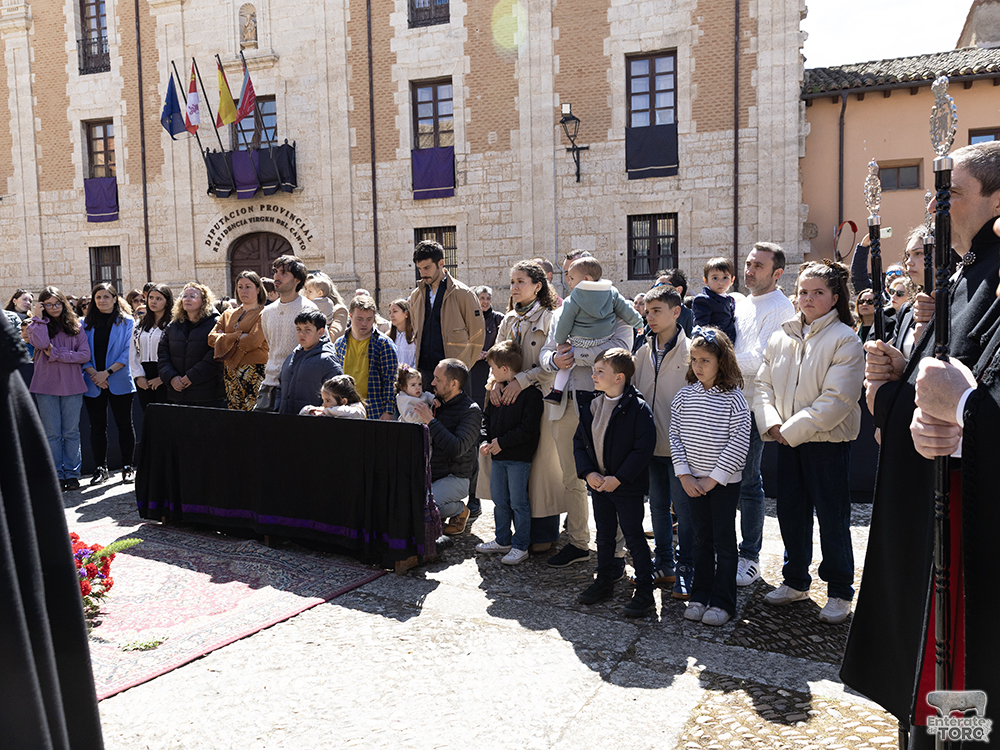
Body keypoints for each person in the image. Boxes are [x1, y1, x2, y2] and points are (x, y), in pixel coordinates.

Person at [842, 141, 1000, 748]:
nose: (938, 205)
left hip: (976, 526)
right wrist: (896, 383)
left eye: (952, 192)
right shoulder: (965, 276)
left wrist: (964, 410)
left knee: (967, 681)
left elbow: (969, 396)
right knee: (928, 676)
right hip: (940, 513)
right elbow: (935, 385)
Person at [756, 260, 863, 624]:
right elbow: (762, 385)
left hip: (826, 443)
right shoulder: (781, 335)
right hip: (786, 440)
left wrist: (790, 429)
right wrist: (772, 423)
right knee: (790, 513)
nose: (808, 298)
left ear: (835, 297)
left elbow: (837, 399)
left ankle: (839, 590)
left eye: (818, 292)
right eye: (803, 291)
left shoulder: (846, 339)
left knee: (833, 517)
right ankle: (795, 580)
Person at [541, 252, 635, 568]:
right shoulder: (561, 313)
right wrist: (554, 361)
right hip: (564, 403)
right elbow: (546, 351)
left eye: (576, 276)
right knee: (572, 477)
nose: (571, 282)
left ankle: (617, 550)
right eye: (568, 275)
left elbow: (619, 354)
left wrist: (577, 355)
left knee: (609, 477)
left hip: (602, 405)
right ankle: (578, 542)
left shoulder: (616, 309)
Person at [670, 327, 750, 627]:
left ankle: (723, 601)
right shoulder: (684, 395)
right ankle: (700, 595)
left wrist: (713, 479)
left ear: (721, 361)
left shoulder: (734, 399)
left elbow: (738, 441)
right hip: (693, 481)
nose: (698, 366)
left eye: (705, 360)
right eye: (694, 360)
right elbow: (674, 434)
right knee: (700, 539)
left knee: (724, 542)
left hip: (722, 483)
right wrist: (685, 475)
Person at [573, 348, 657, 617]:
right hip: (599, 485)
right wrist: (588, 473)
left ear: (619, 377)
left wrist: (618, 478)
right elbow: (580, 442)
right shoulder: (593, 404)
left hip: (625, 487)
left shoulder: (638, 408)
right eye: (594, 370)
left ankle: (645, 590)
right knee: (605, 534)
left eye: (600, 372)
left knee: (633, 536)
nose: (593, 375)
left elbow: (643, 449)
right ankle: (604, 580)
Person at [487, 260, 563, 551]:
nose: (515, 287)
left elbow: (552, 364)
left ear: (538, 286)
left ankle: (542, 532)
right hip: (507, 402)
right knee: (511, 466)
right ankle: (508, 536)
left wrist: (523, 380)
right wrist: (494, 384)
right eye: (512, 282)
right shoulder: (508, 320)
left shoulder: (550, 318)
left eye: (521, 282)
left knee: (541, 470)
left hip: (539, 399)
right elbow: (497, 358)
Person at [731, 242, 795, 587]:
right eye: (748, 263)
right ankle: (726, 549)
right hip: (725, 401)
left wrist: (716, 355)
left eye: (758, 265)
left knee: (748, 483)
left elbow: (762, 360)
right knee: (722, 478)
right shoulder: (740, 302)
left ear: (777, 273)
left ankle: (749, 556)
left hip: (753, 405)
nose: (750, 270)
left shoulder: (782, 307)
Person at [632, 283, 693, 598]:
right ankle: (664, 563)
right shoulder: (642, 350)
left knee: (683, 508)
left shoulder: (691, 351)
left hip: (682, 446)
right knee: (656, 505)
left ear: (676, 312)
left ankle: (687, 568)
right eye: (648, 310)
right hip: (650, 443)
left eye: (657, 311)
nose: (650, 317)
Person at [475, 340, 543, 565]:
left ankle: (521, 545)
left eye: (493, 369)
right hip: (498, 458)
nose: (491, 374)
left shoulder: (531, 395)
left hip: (518, 458)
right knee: (499, 500)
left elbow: (527, 429)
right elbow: (486, 419)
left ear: (504, 369)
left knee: (518, 503)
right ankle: (502, 539)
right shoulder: (495, 391)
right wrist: (485, 440)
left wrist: (502, 442)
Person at [546, 256, 642, 403]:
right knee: (597, 369)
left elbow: (564, 324)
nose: (568, 282)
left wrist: (561, 343)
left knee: (566, 367)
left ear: (585, 278)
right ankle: (600, 390)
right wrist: (639, 323)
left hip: (579, 340)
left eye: (571, 277)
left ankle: (556, 392)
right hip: (605, 337)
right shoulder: (612, 292)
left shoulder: (574, 299)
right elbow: (627, 311)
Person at [26, 287, 90, 491]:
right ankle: (55, 474)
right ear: (42, 306)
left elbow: (84, 355)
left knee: (71, 432)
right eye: (48, 304)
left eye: (57, 303)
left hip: (72, 386)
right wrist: (38, 318)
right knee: (52, 433)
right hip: (45, 385)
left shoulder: (76, 326)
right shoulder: (35, 326)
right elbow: (42, 343)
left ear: (63, 303)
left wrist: (56, 353)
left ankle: (72, 474)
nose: (54, 308)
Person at [412, 359, 482, 536]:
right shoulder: (436, 403)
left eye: (438, 379)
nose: (433, 383)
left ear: (454, 383)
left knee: (421, 507)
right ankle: (438, 505)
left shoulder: (471, 411)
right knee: (404, 501)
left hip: (457, 478)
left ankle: (459, 509)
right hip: (431, 473)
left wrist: (431, 421)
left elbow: (457, 447)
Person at [408, 240, 486, 388]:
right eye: (419, 269)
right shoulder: (416, 296)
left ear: (441, 263)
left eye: (427, 267)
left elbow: (477, 335)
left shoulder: (463, 293)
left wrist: (463, 367)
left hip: (454, 377)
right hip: (424, 375)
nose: (423, 273)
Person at [81, 284, 136, 485]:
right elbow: (81, 351)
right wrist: (95, 374)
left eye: (106, 296)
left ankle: (128, 466)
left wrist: (107, 373)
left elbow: (127, 352)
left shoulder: (128, 322)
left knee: (124, 425)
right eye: (98, 297)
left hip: (119, 379)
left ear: (115, 298)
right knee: (97, 426)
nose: (102, 300)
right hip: (93, 380)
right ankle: (100, 468)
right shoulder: (83, 323)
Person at [256, 255, 318, 412]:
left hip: (297, 386)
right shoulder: (267, 312)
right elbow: (272, 345)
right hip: (269, 384)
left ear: (297, 280)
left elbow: (315, 349)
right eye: (276, 272)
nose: (277, 276)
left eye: (284, 273)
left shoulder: (308, 309)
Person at [208, 271, 269, 410]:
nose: (243, 291)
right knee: (235, 413)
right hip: (230, 370)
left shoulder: (265, 313)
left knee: (254, 412)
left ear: (258, 289)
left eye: (248, 287)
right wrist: (238, 336)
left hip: (255, 369)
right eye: (240, 287)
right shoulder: (228, 314)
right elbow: (211, 339)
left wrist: (224, 339)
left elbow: (254, 341)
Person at [158, 282, 225, 407]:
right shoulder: (173, 325)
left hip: (207, 394)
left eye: (192, 296)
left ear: (204, 301)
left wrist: (191, 377)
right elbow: (163, 355)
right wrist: (172, 377)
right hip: (178, 393)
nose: (187, 299)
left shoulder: (215, 323)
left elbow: (216, 355)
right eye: (184, 295)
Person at [332, 295, 398, 420]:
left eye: (369, 319)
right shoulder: (339, 344)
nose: (364, 323)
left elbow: (390, 381)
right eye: (359, 319)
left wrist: (388, 411)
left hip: (374, 410)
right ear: (350, 317)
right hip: (344, 409)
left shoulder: (384, 344)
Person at [278, 309, 343, 416]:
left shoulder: (327, 360)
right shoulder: (290, 358)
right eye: (298, 329)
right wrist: (278, 410)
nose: (301, 334)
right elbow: (280, 388)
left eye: (307, 329)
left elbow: (338, 396)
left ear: (320, 332)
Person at [130, 283, 173, 413]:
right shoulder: (140, 323)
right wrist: (139, 376)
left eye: (159, 298)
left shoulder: (174, 323)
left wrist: (163, 378)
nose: (153, 301)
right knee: (149, 418)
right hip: (144, 377)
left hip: (166, 375)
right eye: (151, 297)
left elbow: (177, 352)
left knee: (166, 419)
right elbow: (132, 351)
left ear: (167, 302)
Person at [469, 285, 504, 409]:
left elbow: (503, 342)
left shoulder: (499, 318)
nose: (485, 301)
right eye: (482, 298)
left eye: (488, 298)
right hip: (473, 366)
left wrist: (490, 353)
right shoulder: (469, 318)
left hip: (491, 367)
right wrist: (474, 352)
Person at [692, 257, 737, 344]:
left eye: (725, 277)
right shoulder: (703, 300)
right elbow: (702, 328)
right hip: (714, 346)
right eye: (715, 278)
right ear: (706, 281)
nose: (720, 282)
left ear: (732, 280)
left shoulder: (730, 299)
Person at [302, 271, 349, 340]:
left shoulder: (339, 310)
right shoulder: (304, 305)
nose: (307, 293)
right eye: (306, 289)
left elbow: (333, 337)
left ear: (320, 292)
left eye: (310, 290)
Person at [300, 374, 367, 419]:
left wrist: (324, 411)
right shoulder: (329, 409)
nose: (324, 404)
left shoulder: (357, 409)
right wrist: (313, 411)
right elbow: (304, 410)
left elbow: (342, 411)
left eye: (328, 400)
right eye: (323, 400)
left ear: (343, 401)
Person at [659, 269, 694, 336]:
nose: (656, 290)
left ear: (678, 290)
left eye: (661, 285)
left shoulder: (690, 316)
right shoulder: (654, 315)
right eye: (654, 287)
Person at [388, 298, 416, 368]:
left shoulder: (415, 336)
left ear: (406, 314)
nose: (391, 315)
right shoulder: (388, 337)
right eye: (390, 312)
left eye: (395, 311)